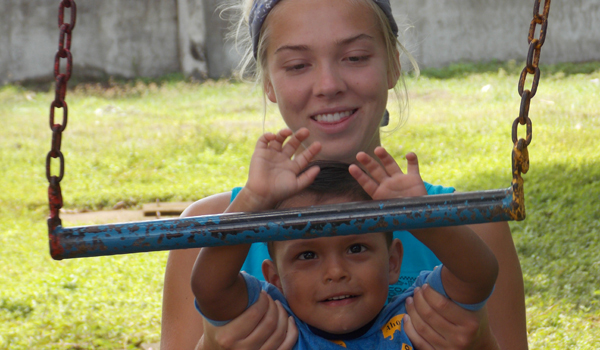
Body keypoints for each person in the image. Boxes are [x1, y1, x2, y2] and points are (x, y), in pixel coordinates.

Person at [160, 0, 528, 349]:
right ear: (269, 82)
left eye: (354, 57)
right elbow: (210, 293)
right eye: (297, 65)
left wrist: (480, 344)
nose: (329, 85)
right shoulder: (203, 233)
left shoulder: (473, 228)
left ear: (393, 66)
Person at [191, 129, 499, 349]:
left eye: (356, 248)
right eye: (307, 255)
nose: (336, 271)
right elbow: (210, 288)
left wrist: (422, 218)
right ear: (275, 278)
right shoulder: (272, 331)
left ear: (393, 262)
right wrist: (251, 200)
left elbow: (477, 275)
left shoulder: (416, 322)